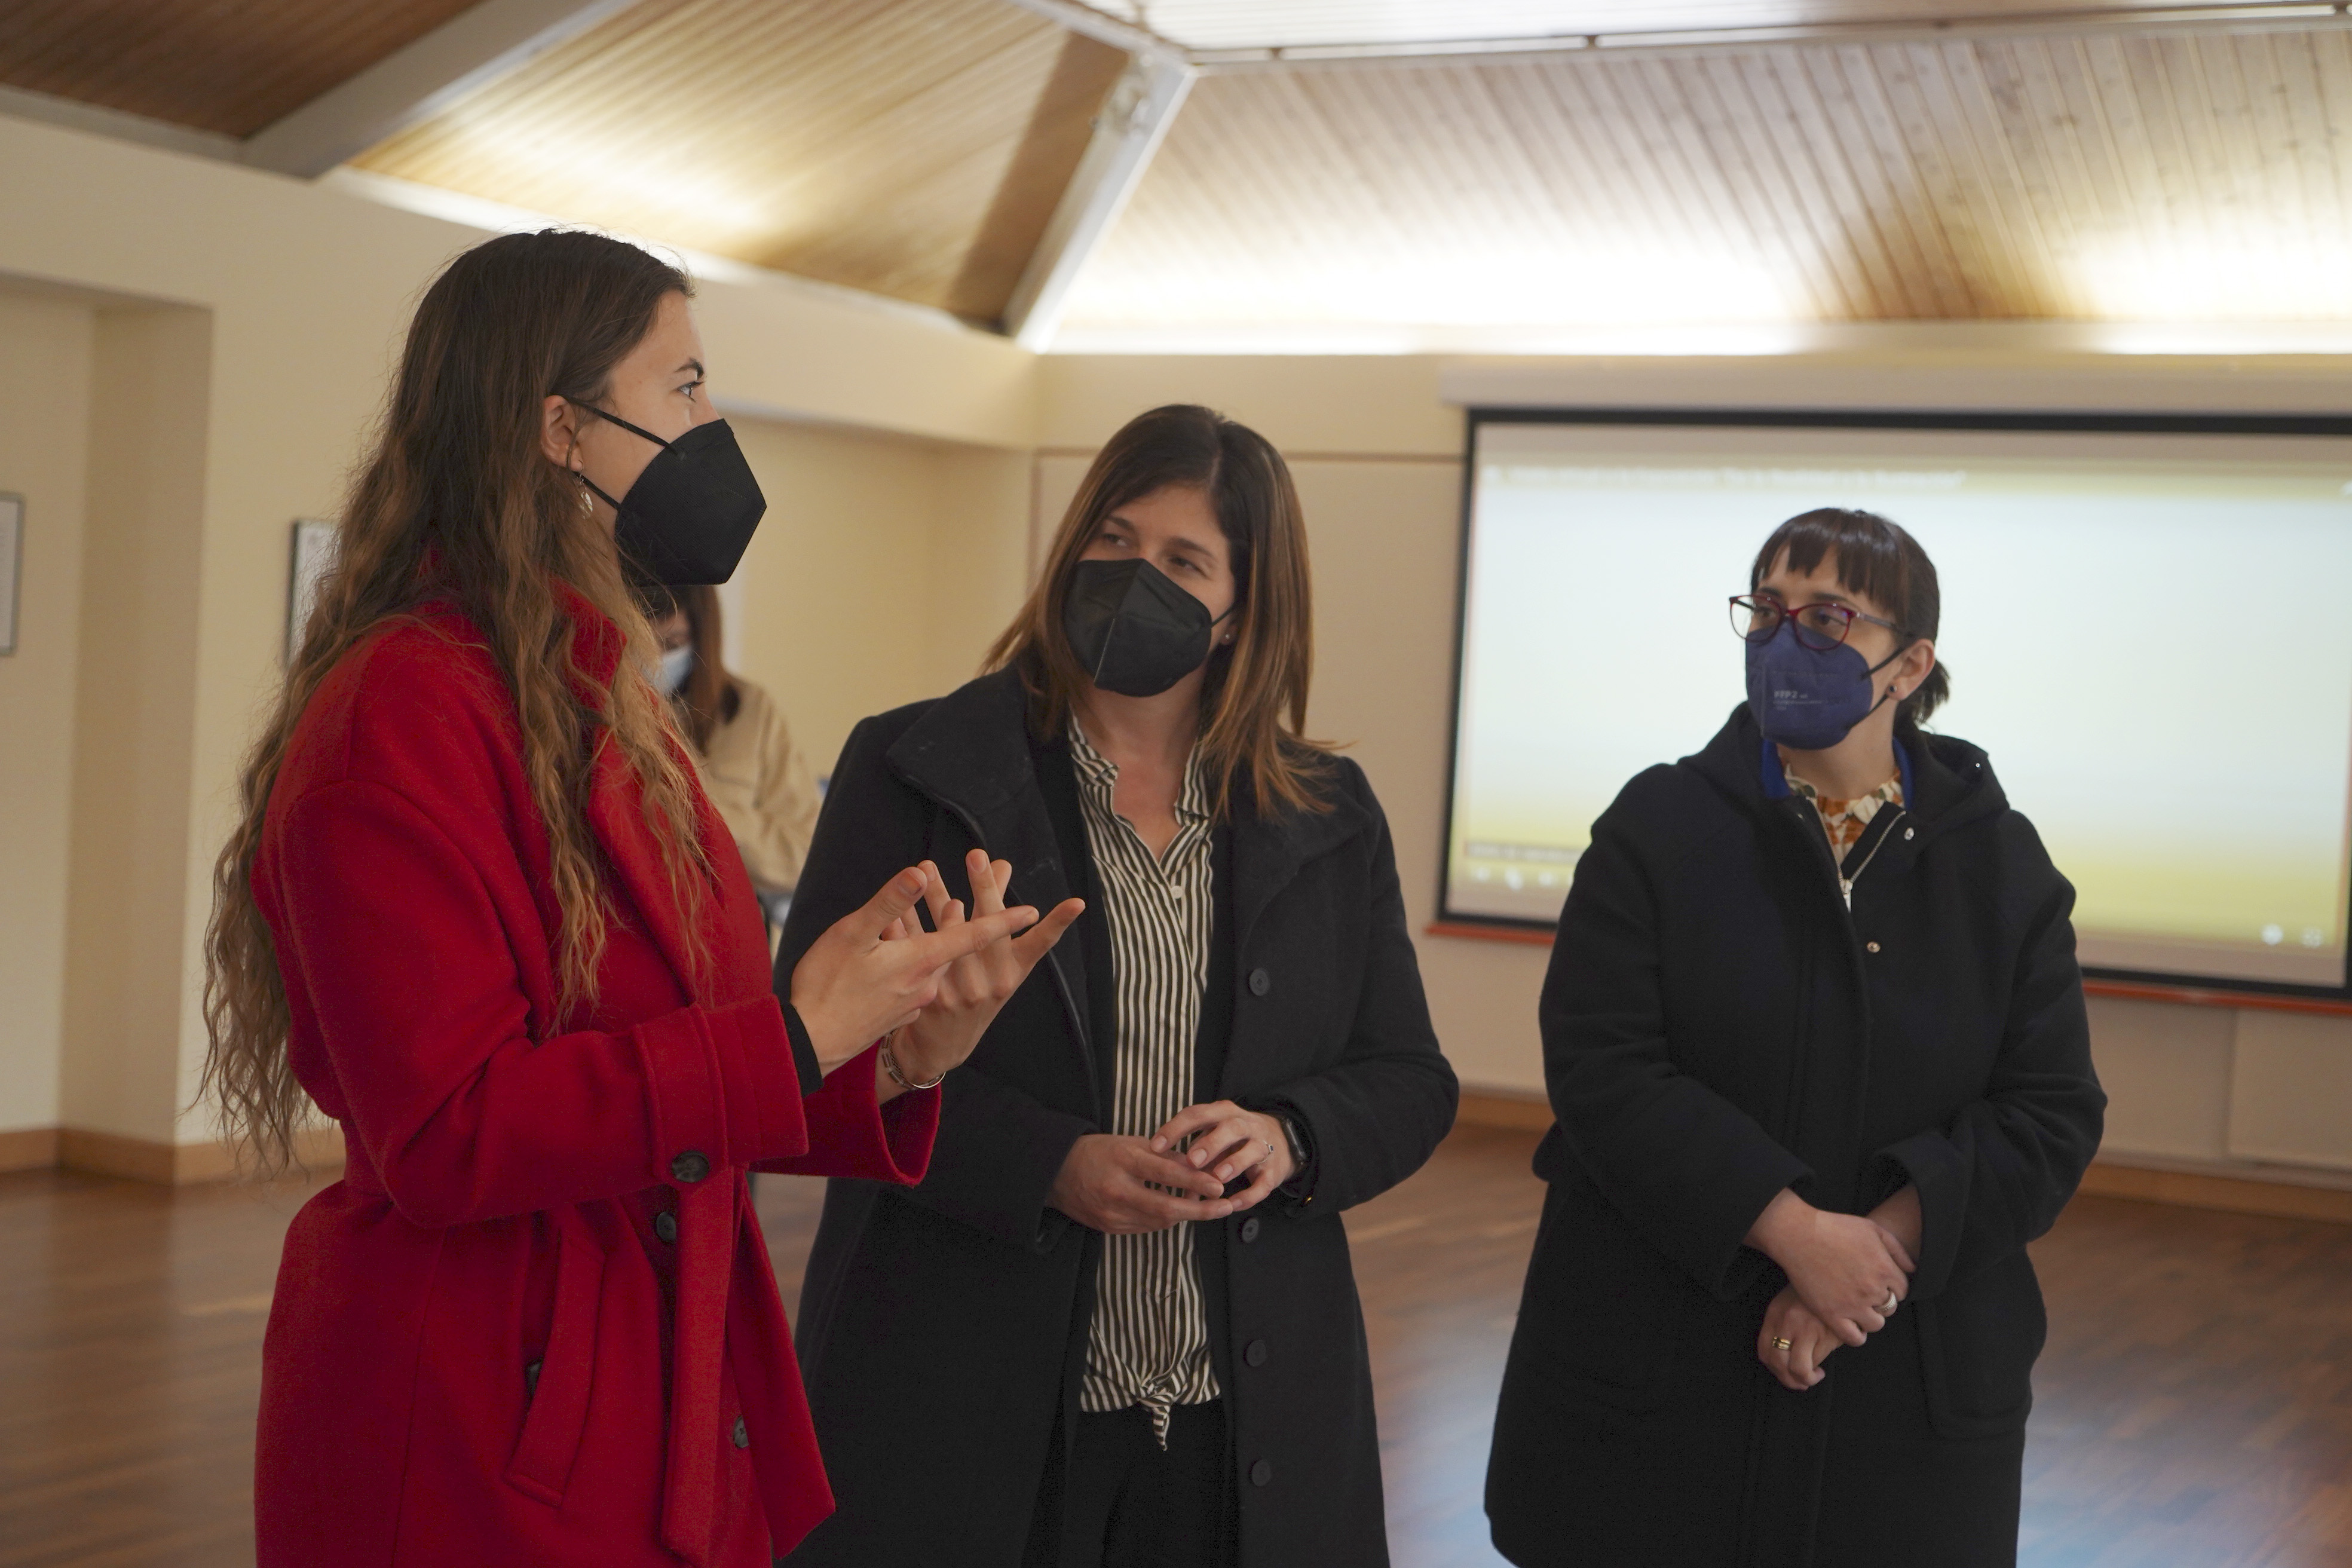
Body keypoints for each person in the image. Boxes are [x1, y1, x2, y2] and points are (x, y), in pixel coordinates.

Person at [198, 229, 1078, 1568]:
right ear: (561, 428)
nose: (713, 426)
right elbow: (450, 1130)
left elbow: (689, 1059)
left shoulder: (597, 688)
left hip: (653, 1376)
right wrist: (797, 1036)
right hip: (476, 1413)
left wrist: (892, 1050)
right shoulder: (402, 713)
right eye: (686, 387)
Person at [774, 404, 1459, 1568]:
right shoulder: (914, 768)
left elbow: (1409, 1077)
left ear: (1245, 607)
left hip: (1240, 1418)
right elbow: (813, 1063)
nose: (1136, 576)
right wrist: (1049, 1162)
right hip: (965, 1402)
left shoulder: (1329, 811)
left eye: (1184, 561)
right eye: (1114, 539)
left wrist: (1291, 1135)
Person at [1485, 507, 2106, 1567]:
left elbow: (2050, 1112)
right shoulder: (1657, 824)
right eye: (1767, 610)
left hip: (1903, 1393)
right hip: (1654, 1389)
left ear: (1910, 665)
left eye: (1827, 617)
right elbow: (1605, 1070)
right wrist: (1792, 1233)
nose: (1785, 639)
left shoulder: (2002, 864)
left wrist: (1869, 1260)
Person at [638, 582, 820, 925]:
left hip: (724, 920)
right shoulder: (590, 705)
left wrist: (702, 811)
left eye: (670, 644)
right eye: (639, 644)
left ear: (701, 635)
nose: (654, 660)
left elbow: (801, 855)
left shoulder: (751, 710)